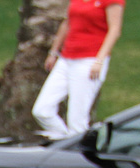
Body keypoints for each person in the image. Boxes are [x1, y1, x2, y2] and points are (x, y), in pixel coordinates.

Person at [32, 0, 124, 139]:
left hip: (89, 61)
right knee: (42, 110)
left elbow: (115, 30)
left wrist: (99, 60)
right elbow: (68, 22)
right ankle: (67, 143)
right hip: (66, 58)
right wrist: (53, 51)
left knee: (77, 121)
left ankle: (76, 154)